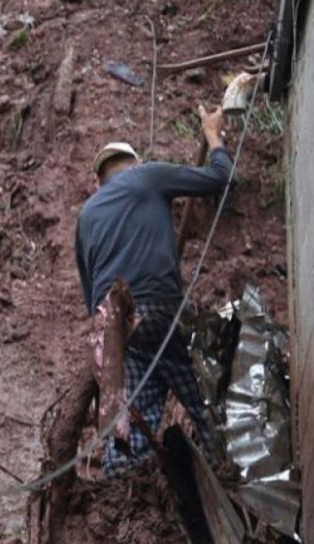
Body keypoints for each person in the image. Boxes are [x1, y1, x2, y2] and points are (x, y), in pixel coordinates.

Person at [75, 104, 230, 476]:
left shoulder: (85, 217)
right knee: (205, 401)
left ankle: (125, 496)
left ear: (98, 181)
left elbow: (91, 298)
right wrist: (212, 135)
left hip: (116, 330)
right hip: (160, 309)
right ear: (137, 163)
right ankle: (228, 475)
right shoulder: (149, 177)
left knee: (133, 424)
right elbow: (221, 177)